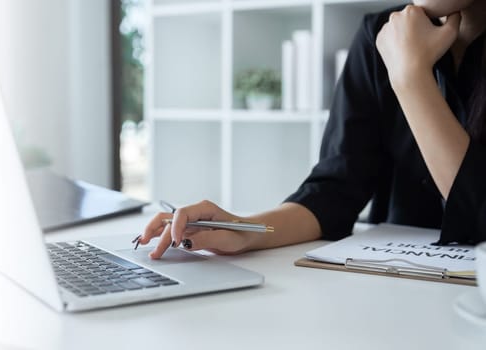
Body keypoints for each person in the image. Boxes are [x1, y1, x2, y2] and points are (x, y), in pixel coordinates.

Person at [138, 0, 486, 259]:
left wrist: (410, 78)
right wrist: (244, 230)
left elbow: (479, 218)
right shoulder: (381, 34)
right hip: (394, 290)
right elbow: (335, 192)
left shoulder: (396, 47)